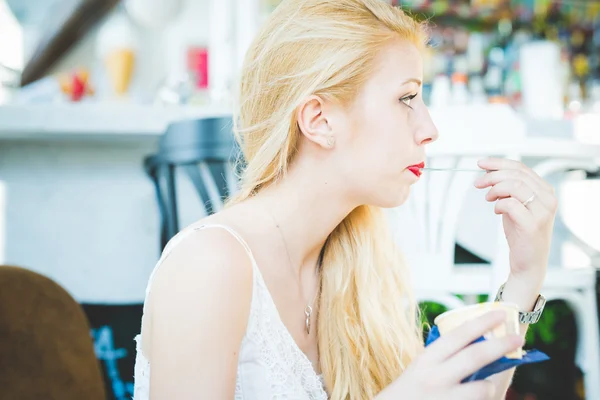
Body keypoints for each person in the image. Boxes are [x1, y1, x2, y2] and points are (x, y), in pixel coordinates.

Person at [133, 0, 557, 398]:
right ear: (319, 121)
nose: (429, 128)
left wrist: (524, 277)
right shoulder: (209, 265)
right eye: (406, 98)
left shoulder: (353, 265)